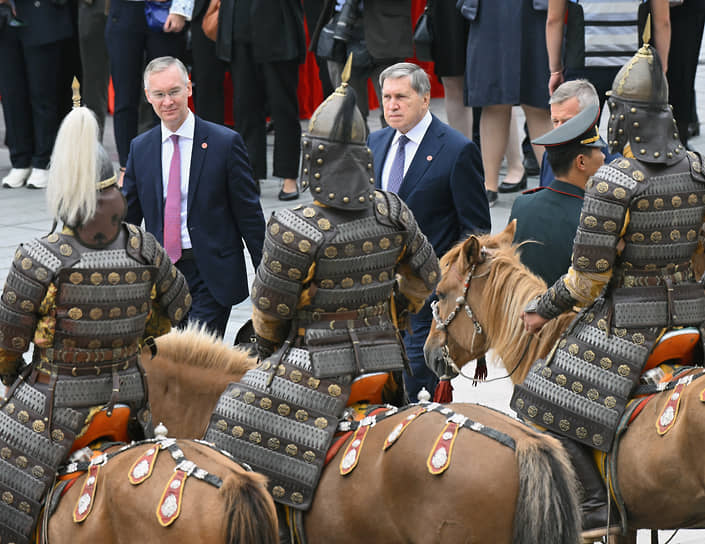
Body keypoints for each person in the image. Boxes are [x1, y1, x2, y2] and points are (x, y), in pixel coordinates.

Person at [204, 62, 440, 534]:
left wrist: (270, 352)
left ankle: (276, 523)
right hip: (384, 363)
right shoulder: (392, 209)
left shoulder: (295, 226)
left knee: (229, 414)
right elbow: (427, 277)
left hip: (313, 366)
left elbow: (269, 314)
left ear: (314, 157)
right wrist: (391, 312)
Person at [511, 35, 702, 540]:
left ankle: (595, 505)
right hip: (694, 316)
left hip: (628, 323)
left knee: (541, 397)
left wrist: (540, 309)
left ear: (623, 117)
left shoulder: (612, 181)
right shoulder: (698, 170)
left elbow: (587, 279)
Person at [0, 106, 191, 542]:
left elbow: (6, 343)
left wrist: (11, 375)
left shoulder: (41, 255)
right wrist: (140, 332)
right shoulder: (144, 246)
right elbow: (178, 309)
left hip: (53, 405)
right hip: (129, 400)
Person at [367, 62, 490, 401]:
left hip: (426, 297)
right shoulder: (375, 143)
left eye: (401, 97)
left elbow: (475, 229)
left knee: (409, 385)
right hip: (376, 293)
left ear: (425, 100)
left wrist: (452, 286)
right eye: (387, 97)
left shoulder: (456, 150)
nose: (392, 105)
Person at [122, 57, 265, 338]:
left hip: (212, 272)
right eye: (159, 94)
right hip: (164, 274)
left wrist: (268, 274)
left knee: (197, 353)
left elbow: (249, 215)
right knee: (170, 358)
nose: (168, 102)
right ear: (148, 96)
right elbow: (127, 217)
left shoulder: (224, 143)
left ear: (189, 88)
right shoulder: (141, 148)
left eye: (174, 91)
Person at [459, 0, 554, 207]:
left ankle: (554, 187)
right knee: (493, 100)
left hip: (534, 11)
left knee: (538, 101)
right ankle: (488, 185)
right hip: (490, 11)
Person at [215, 0, 305, 200]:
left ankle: (289, 175)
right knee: (244, 107)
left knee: (283, 107)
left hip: (278, 26)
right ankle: (250, 174)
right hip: (239, 26)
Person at [510, 100, 605, 286]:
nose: (603, 157)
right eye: (599, 150)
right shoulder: (592, 219)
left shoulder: (521, 205)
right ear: (581, 163)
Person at [105, 0, 192, 170]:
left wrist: (180, 9)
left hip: (166, 9)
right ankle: (127, 168)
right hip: (125, 10)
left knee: (169, 92)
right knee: (124, 96)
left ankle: (170, 166)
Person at [0, 0, 75, 189]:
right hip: (6, 20)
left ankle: (44, 160)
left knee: (43, 95)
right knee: (12, 95)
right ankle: (20, 160)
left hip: (43, 16)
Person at [310, 0, 413, 130]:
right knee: (350, 114)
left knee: (394, 111)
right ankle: (358, 150)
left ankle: (394, 149)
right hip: (343, 28)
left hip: (386, 29)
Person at [546, 0, 671, 105]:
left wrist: (555, 71)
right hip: (634, 70)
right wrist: (661, 70)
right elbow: (662, 22)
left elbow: (554, 20)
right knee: (633, 130)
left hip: (583, 67)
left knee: (583, 131)